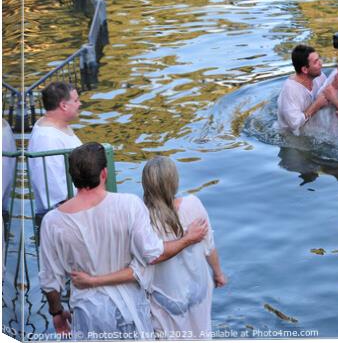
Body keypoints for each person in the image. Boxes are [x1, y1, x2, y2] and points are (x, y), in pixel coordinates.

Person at [38, 143, 209, 340]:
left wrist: (57, 313)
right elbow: (153, 254)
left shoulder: (52, 222)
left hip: (88, 312)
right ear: (104, 173)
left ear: (72, 177)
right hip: (130, 311)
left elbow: (50, 282)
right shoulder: (129, 205)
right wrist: (187, 239)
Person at [71, 156, 226, 340]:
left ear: (146, 184)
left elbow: (138, 270)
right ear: (174, 181)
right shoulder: (193, 204)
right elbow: (209, 246)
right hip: (198, 292)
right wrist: (218, 274)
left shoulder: (142, 220)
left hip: (166, 302)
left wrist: (93, 281)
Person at [27, 82, 83, 233]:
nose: (80, 104)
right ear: (64, 105)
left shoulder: (60, 125)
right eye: (76, 100)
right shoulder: (47, 139)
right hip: (63, 222)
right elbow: (55, 192)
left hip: (74, 213)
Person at [277, 44, 329, 136]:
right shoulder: (290, 90)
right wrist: (316, 105)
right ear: (305, 69)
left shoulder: (320, 76)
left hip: (314, 130)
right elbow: (294, 124)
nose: (321, 63)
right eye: (316, 62)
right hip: (291, 136)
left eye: (319, 58)